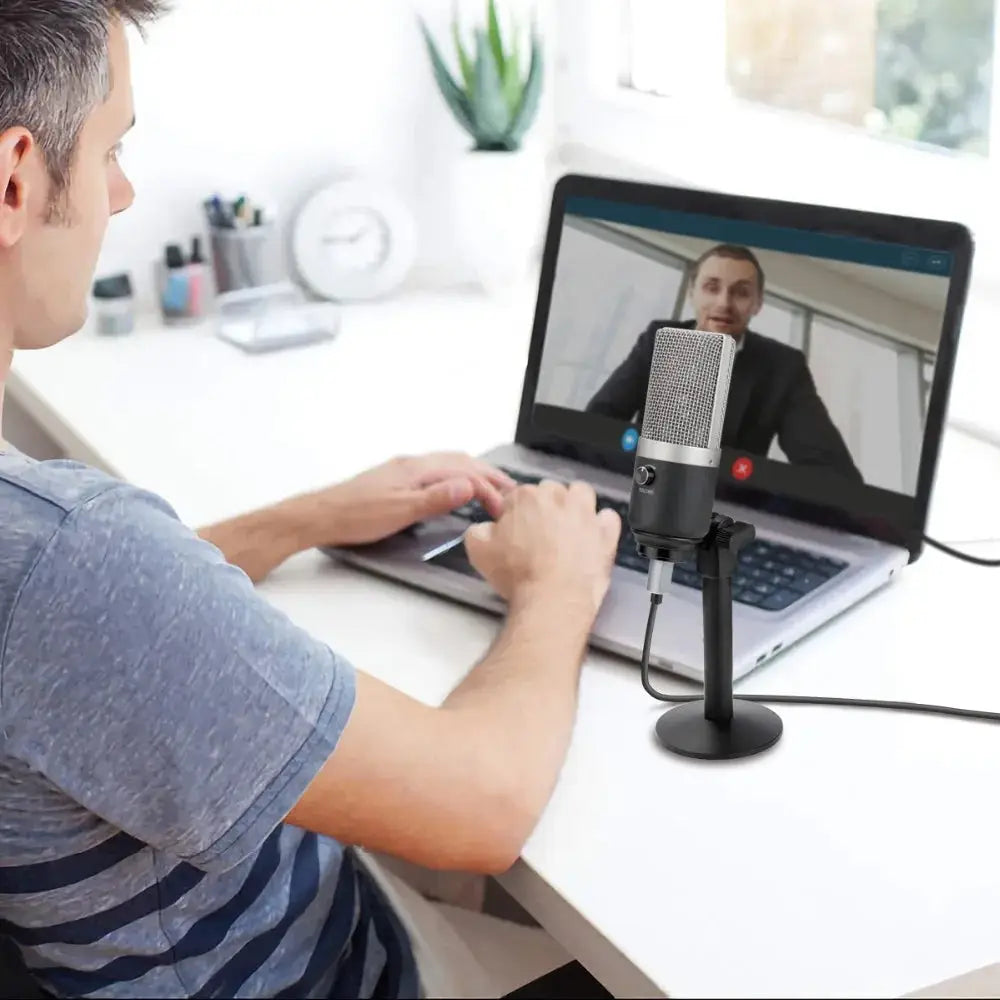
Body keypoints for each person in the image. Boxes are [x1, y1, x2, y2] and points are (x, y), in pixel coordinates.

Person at [0, 4, 621, 998]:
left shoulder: (44, 552)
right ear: (15, 181)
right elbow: (483, 809)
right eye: (114, 148)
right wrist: (559, 584)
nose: (122, 192)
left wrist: (301, 521)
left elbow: (62, 631)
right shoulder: (73, 563)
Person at [587, 243, 863, 482]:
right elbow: (597, 424)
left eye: (741, 292)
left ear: (757, 303)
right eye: (711, 287)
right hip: (641, 485)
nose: (724, 303)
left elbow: (835, 475)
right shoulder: (659, 338)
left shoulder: (783, 367)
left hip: (729, 512)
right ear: (692, 293)